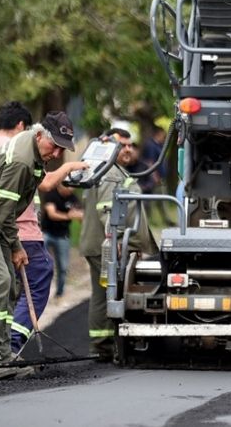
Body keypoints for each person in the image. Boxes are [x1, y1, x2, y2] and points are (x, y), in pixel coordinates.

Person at [0, 108, 86, 379]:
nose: (57, 154)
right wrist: (16, 246)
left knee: (10, 284)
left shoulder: (36, 153)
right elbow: (3, 209)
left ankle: (1, 355)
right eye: (55, 146)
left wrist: (14, 246)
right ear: (39, 135)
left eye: (63, 149)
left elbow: (5, 210)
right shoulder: (23, 160)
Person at [79, 127, 159, 361]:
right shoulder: (111, 172)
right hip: (107, 243)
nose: (127, 149)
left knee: (102, 293)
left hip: (101, 242)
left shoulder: (109, 169)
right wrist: (114, 238)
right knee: (108, 293)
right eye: (121, 144)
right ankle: (103, 346)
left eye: (129, 145)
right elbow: (107, 208)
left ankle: (101, 344)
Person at [41, 184, 83, 298]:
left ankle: (59, 293)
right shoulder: (51, 194)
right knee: (39, 261)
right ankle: (37, 289)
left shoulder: (73, 198)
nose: (70, 189)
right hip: (47, 232)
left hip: (63, 235)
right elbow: (52, 214)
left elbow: (81, 215)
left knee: (63, 266)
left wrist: (79, 216)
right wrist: (69, 216)